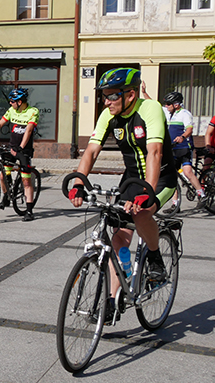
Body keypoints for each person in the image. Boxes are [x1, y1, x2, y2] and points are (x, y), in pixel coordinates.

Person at [68, 67, 176, 323]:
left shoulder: (149, 109)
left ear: (130, 94)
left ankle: (155, 256)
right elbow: (92, 150)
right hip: (131, 180)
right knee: (118, 238)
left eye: (111, 96)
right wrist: (79, 183)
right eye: (104, 96)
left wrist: (148, 192)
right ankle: (114, 299)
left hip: (160, 179)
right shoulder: (108, 115)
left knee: (141, 215)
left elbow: (155, 152)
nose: (106, 101)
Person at [0, 88, 39, 221]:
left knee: (26, 181)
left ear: (20, 102)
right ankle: (6, 196)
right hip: (11, 148)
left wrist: (21, 147)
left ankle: (29, 211)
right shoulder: (11, 111)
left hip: (23, 150)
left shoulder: (33, 111)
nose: (10, 103)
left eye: (12, 101)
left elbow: (29, 130)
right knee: (2, 175)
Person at [142, 85, 205, 206]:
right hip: (171, 148)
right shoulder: (167, 111)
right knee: (173, 176)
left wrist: (182, 137)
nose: (166, 106)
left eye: (168, 104)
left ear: (176, 105)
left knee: (187, 172)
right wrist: (144, 92)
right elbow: (153, 104)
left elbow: (189, 129)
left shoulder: (185, 114)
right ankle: (175, 204)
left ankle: (201, 193)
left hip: (184, 148)